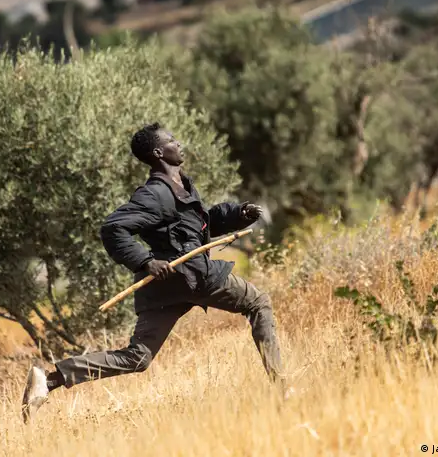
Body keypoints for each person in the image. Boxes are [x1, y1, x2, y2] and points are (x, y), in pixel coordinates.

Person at [21, 122, 289, 423]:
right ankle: (282, 388)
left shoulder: (180, 185)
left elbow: (199, 226)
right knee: (258, 302)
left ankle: (49, 381)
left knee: (138, 357)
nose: (179, 143)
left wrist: (237, 215)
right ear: (159, 152)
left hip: (169, 285)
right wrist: (145, 261)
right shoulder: (156, 193)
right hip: (188, 275)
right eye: (172, 140)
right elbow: (113, 228)